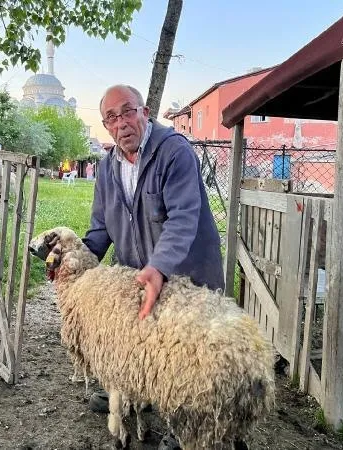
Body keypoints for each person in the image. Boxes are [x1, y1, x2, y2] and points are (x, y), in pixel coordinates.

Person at [82, 85, 225, 449]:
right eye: (111, 117)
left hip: (187, 274)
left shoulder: (174, 152)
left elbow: (183, 218)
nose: (121, 123)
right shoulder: (107, 167)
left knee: (188, 355)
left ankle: (186, 425)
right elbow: (101, 226)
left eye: (128, 112)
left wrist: (159, 266)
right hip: (141, 274)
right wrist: (76, 261)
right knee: (145, 346)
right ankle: (137, 394)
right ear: (105, 125)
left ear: (145, 113)